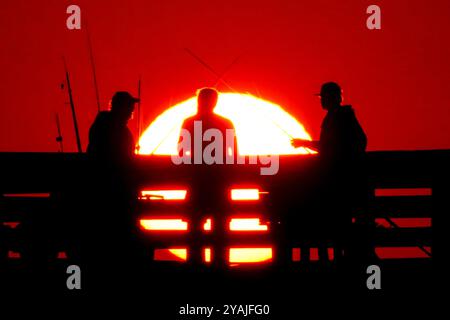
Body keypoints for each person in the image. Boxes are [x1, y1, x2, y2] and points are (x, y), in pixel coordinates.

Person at [291, 82, 372, 266]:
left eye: (324, 98)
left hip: (340, 182)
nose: (321, 101)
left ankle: (337, 260)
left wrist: (307, 144)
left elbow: (335, 145)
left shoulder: (343, 117)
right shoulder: (335, 117)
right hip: (339, 180)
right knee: (337, 222)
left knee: (337, 221)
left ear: (332, 98)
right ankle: (338, 258)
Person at [84, 91, 140, 291]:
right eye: (130, 106)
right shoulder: (116, 130)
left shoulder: (102, 126)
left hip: (104, 189)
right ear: (120, 107)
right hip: (113, 191)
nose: (132, 110)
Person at [179, 88, 236, 267]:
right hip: (220, 180)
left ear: (198, 101)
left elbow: (181, 152)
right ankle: (220, 263)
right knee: (220, 222)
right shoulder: (225, 123)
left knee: (195, 222)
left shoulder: (188, 122)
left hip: (196, 180)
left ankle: (195, 263)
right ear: (214, 102)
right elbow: (234, 153)